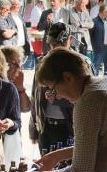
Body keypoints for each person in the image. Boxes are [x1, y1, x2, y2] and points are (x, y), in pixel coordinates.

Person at [29, 23, 76, 154]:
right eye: (54, 44)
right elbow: (35, 96)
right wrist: (33, 127)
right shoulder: (42, 63)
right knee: (46, 170)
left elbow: (87, 101)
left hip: (71, 128)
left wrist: (60, 99)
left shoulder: (79, 65)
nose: (57, 48)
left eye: (61, 44)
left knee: (67, 170)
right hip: (45, 128)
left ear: (70, 40)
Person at [1, 45, 31, 113]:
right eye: (14, 63)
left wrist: (20, 87)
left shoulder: (16, 80)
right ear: (3, 63)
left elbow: (26, 109)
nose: (18, 67)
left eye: (19, 63)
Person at [90, 4, 107, 76]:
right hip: (99, 48)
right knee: (96, 66)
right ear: (101, 12)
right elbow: (90, 35)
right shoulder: (94, 21)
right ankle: (94, 81)